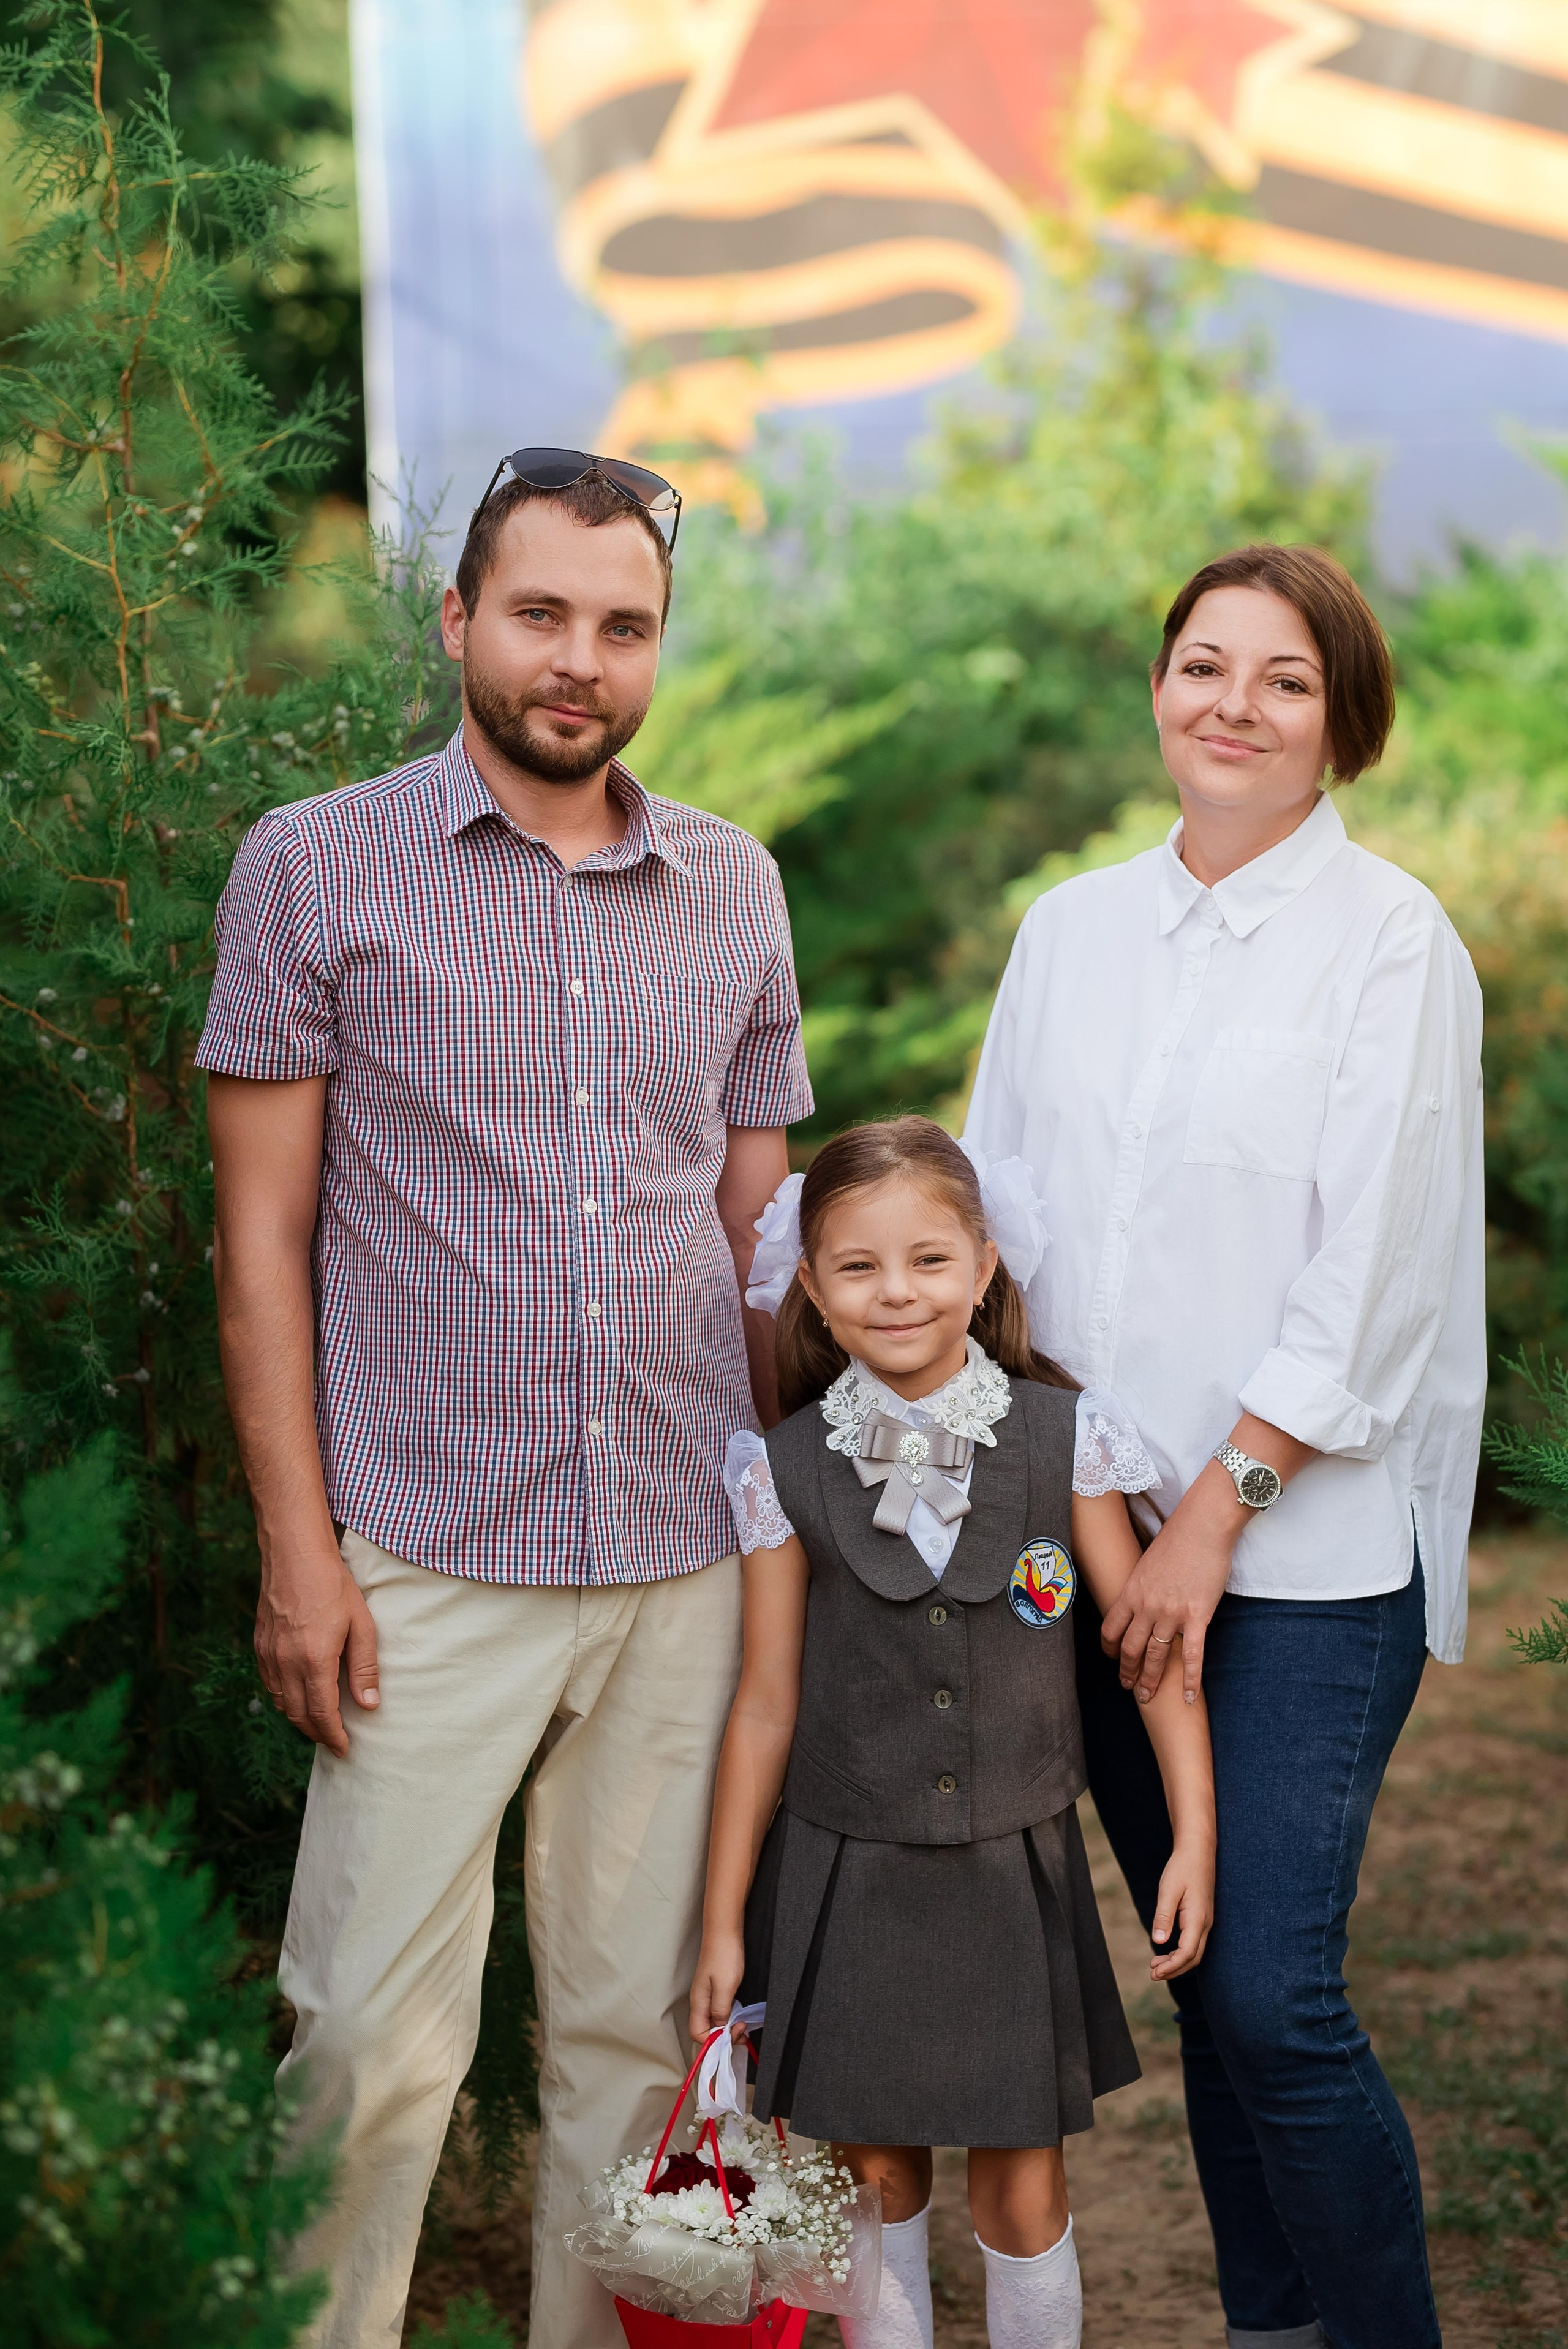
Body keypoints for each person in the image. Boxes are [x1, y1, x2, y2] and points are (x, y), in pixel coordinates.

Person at [197, 453, 814, 2349]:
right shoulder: (314, 866)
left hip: (683, 1550)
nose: (580, 660)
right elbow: (258, 1238)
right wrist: (300, 1554)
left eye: (624, 625)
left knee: (637, 2044)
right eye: (541, 613)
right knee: (365, 2042)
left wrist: (808, 1543)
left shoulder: (733, 884)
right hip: (423, 1557)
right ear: (460, 618)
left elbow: (758, 1239)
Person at [965, 542, 1485, 2349]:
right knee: (1202, 1978)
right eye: (1203, 664)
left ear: (1344, 719)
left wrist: (1210, 1516)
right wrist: (1083, 1506)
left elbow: (1375, 1278)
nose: (1234, 705)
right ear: (1158, 688)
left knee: (1272, 1993)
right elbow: (1002, 1227)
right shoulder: (1068, 932)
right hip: (1097, 1539)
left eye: (1284, 677)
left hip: (1305, 1557)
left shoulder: (1392, 942)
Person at [689, 1116, 1216, 2349]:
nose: (897, 1291)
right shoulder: (780, 1469)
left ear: (983, 1267)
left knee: (1024, 2182)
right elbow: (764, 1701)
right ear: (812, 1288)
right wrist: (722, 1922)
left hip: (1010, 1872)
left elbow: (1146, 1658)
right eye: (858, 1265)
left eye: (929, 1258)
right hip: (845, 1871)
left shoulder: (1064, 1439)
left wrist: (1192, 1832)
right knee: (873, 2182)